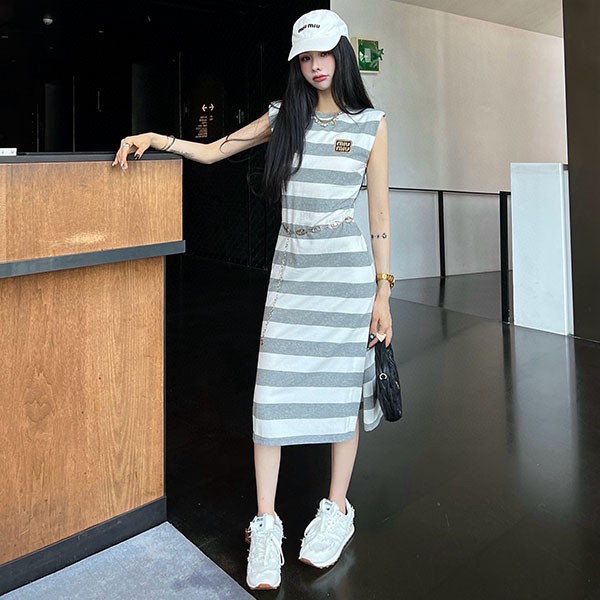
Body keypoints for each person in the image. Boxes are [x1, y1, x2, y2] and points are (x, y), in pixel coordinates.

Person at [113, 9, 393, 592]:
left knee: (341, 392)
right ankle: (265, 523)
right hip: (291, 271)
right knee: (270, 398)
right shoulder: (282, 116)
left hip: (345, 277)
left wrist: (383, 291)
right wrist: (156, 137)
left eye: (324, 53)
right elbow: (215, 150)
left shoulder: (371, 125)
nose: (316, 66)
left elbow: (380, 218)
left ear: (342, 52)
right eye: (305, 57)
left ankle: (337, 509)